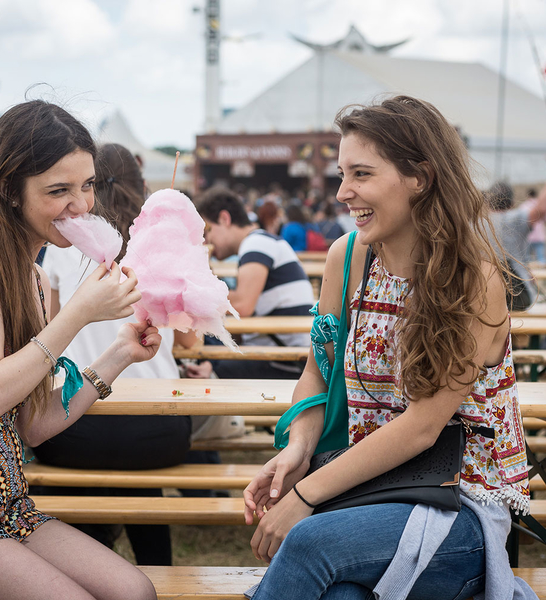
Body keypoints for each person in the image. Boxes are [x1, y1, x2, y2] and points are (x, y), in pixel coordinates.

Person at [243, 96, 535, 599]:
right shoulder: (348, 257)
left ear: (419, 178)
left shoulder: (476, 278)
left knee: (309, 544)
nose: (342, 193)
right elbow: (317, 372)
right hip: (368, 491)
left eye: (361, 174)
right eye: (340, 174)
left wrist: (307, 496)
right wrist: (299, 449)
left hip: (460, 506)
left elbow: (422, 428)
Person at [0, 100, 158, 600]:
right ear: (8, 191)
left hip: (5, 504)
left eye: (86, 186)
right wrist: (78, 314)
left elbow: (33, 423)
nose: (81, 206)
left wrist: (119, 354)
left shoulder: (37, 280)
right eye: (58, 191)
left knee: (135, 591)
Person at [33, 142, 193, 566]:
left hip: (72, 428)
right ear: (141, 185)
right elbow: (190, 340)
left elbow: (47, 339)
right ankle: (156, 571)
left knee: (84, 489)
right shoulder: (167, 247)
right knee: (143, 485)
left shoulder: (62, 252)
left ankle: (94, 563)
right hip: (161, 433)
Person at [192, 187, 315, 380]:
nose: (205, 240)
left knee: (200, 378)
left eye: (207, 230)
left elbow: (243, 305)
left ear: (224, 219)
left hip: (284, 360)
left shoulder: (256, 242)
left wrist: (196, 287)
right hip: (285, 353)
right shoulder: (262, 241)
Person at [487, 181, 546, 311]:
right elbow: (541, 209)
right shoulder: (514, 218)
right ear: (512, 204)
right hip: (518, 295)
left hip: (486, 296)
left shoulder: (476, 222)